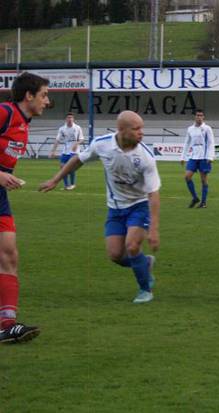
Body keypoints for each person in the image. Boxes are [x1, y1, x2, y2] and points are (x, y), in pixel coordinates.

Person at [40, 111, 160, 304]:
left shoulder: (145, 156)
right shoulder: (102, 144)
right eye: (136, 129)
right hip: (115, 208)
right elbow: (78, 160)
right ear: (121, 130)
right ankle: (144, 263)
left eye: (142, 128)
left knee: (132, 246)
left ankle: (145, 290)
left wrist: (153, 229)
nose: (141, 133)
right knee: (115, 255)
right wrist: (56, 179)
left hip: (139, 206)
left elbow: (154, 193)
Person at [0, 72, 49, 344]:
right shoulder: (4, 112)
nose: (46, 101)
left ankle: (7, 325)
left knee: (9, 255)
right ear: (28, 95)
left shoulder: (23, 123)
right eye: (43, 95)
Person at [181, 109, 215, 208]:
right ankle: (195, 198)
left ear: (203, 117)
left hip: (204, 157)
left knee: (203, 180)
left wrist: (210, 156)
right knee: (187, 177)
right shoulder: (190, 129)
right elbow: (187, 143)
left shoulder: (207, 128)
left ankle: (203, 202)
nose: (199, 117)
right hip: (193, 156)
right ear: (195, 117)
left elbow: (211, 142)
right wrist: (183, 157)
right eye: (197, 115)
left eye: (201, 115)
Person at [49, 112, 85, 190]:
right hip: (65, 151)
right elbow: (57, 140)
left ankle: (72, 184)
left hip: (75, 152)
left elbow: (82, 139)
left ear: (73, 119)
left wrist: (76, 144)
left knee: (70, 168)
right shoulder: (62, 129)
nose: (70, 119)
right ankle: (67, 185)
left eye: (71, 118)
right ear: (66, 119)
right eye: (68, 117)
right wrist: (53, 151)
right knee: (62, 168)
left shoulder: (77, 128)